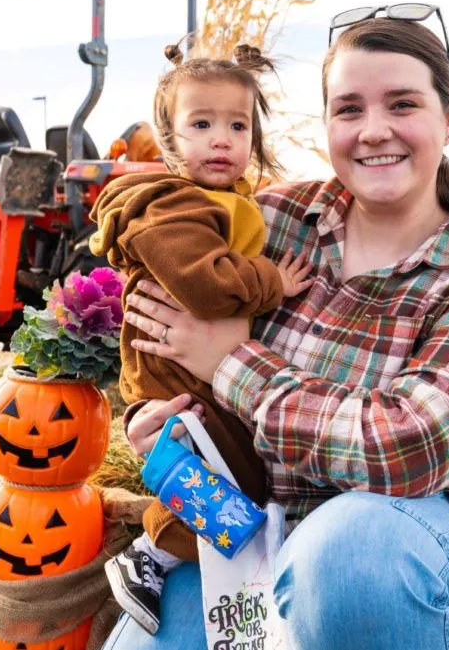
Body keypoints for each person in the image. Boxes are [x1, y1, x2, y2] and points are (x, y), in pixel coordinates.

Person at [100, 12, 449, 650]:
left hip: (413, 527)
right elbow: (158, 323)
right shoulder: (270, 219)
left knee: (348, 555)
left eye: (402, 104)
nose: (374, 131)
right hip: (244, 522)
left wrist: (229, 364)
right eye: (349, 109)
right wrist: (156, 415)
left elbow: (409, 447)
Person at [87, 42, 314, 635]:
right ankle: (153, 554)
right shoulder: (169, 208)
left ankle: (163, 556)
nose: (222, 139)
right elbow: (207, 287)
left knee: (230, 477)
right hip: (172, 373)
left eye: (237, 125)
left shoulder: (227, 201)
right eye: (202, 123)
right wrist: (273, 283)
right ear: (169, 141)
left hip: (194, 366)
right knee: (221, 480)